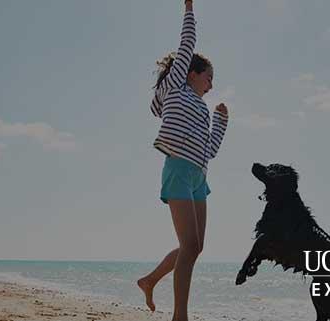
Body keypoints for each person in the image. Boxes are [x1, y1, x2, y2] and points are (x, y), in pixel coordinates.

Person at [137, 0, 228, 320]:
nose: (211, 84)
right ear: (191, 73)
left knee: (195, 247)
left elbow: (210, 151)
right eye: (209, 77)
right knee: (189, 246)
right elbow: (186, 42)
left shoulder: (201, 108)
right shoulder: (176, 86)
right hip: (177, 169)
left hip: (199, 178)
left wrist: (221, 123)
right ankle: (180, 316)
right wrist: (189, 8)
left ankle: (149, 281)